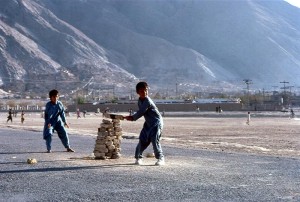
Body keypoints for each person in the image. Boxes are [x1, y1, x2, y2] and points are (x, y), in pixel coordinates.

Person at [125, 82, 165, 166]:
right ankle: (138, 157)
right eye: (142, 91)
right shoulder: (140, 101)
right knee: (142, 139)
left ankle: (161, 158)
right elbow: (141, 112)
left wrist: (132, 118)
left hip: (156, 122)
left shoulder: (147, 100)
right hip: (148, 123)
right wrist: (132, 117)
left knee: (155, 140)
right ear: (138, 92)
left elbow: (141, 112)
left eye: (146, 90)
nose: (145, 92)